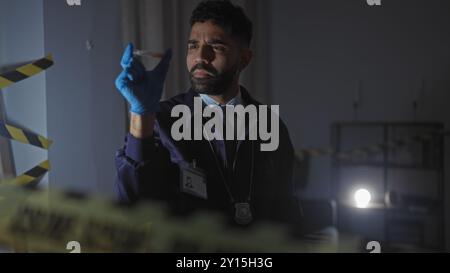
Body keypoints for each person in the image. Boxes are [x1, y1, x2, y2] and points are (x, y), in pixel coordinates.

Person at [115, 0, 302, 229]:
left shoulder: (269, 124)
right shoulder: (162, 120)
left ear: (244, 59)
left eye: (216, 47)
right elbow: (134, 205)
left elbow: (286, 212)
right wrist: (141, 114)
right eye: (193, 46)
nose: (200, 57)